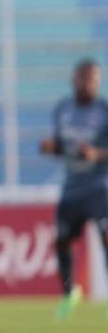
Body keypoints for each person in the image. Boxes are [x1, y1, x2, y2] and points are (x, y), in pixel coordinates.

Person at [40, 59, 108, 319]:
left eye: (94, 79)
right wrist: (51, 147)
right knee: (62, 240)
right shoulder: (63, 109)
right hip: (71, 188)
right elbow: (62, 146)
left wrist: (97, 154)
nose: (89, 84)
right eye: (85, 78)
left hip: (99, 187)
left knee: (106, 237)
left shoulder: (104, 110)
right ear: (75, 80)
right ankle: (70, 293)